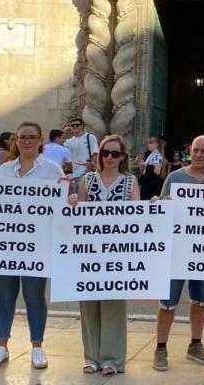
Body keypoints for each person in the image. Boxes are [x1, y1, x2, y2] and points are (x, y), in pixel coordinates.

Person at [0, 122, 65, 371]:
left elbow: (60, 208)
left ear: (40, 140)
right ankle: (1, 345)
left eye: (32, 137)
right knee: (5, 296)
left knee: (34, 297)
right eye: (22, 137)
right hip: (6, 245)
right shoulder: (4, 171)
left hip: (37, 245)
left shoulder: (53, 170)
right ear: (16, 141)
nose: (27, 141)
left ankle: (37, 347)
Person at [67, 135, 138, 376]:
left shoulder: (130, 182)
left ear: (123, 157)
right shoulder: (87, 180)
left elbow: (137, 216)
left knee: (113, 305)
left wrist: (158, 205)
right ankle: (92, 357)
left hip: (117, 253)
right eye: (105, 152)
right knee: (88, 305)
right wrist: (74, 201)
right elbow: (79, 215)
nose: (109, 157)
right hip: (89, 252)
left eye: (115, 153)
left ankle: (112, 359)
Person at [151, 135, 204, 373]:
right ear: (190, 151)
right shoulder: (175, 177)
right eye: (195, 150)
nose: (199, 154)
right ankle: (161, 347)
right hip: (176, 249)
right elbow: (160, 206)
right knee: (168, 302)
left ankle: (195, 344)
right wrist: (160, 202)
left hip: (203, 251)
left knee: (200, 300)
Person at [63, 117, 98, 182]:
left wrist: (90, 169)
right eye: (72, 125)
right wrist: (64, 133)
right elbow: (59, 150)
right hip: (72, 176)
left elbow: (95, 154)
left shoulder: (90, 137)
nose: (75, 126)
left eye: (77, 125)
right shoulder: (68, 141)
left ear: (82, 126)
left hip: (85, 174)